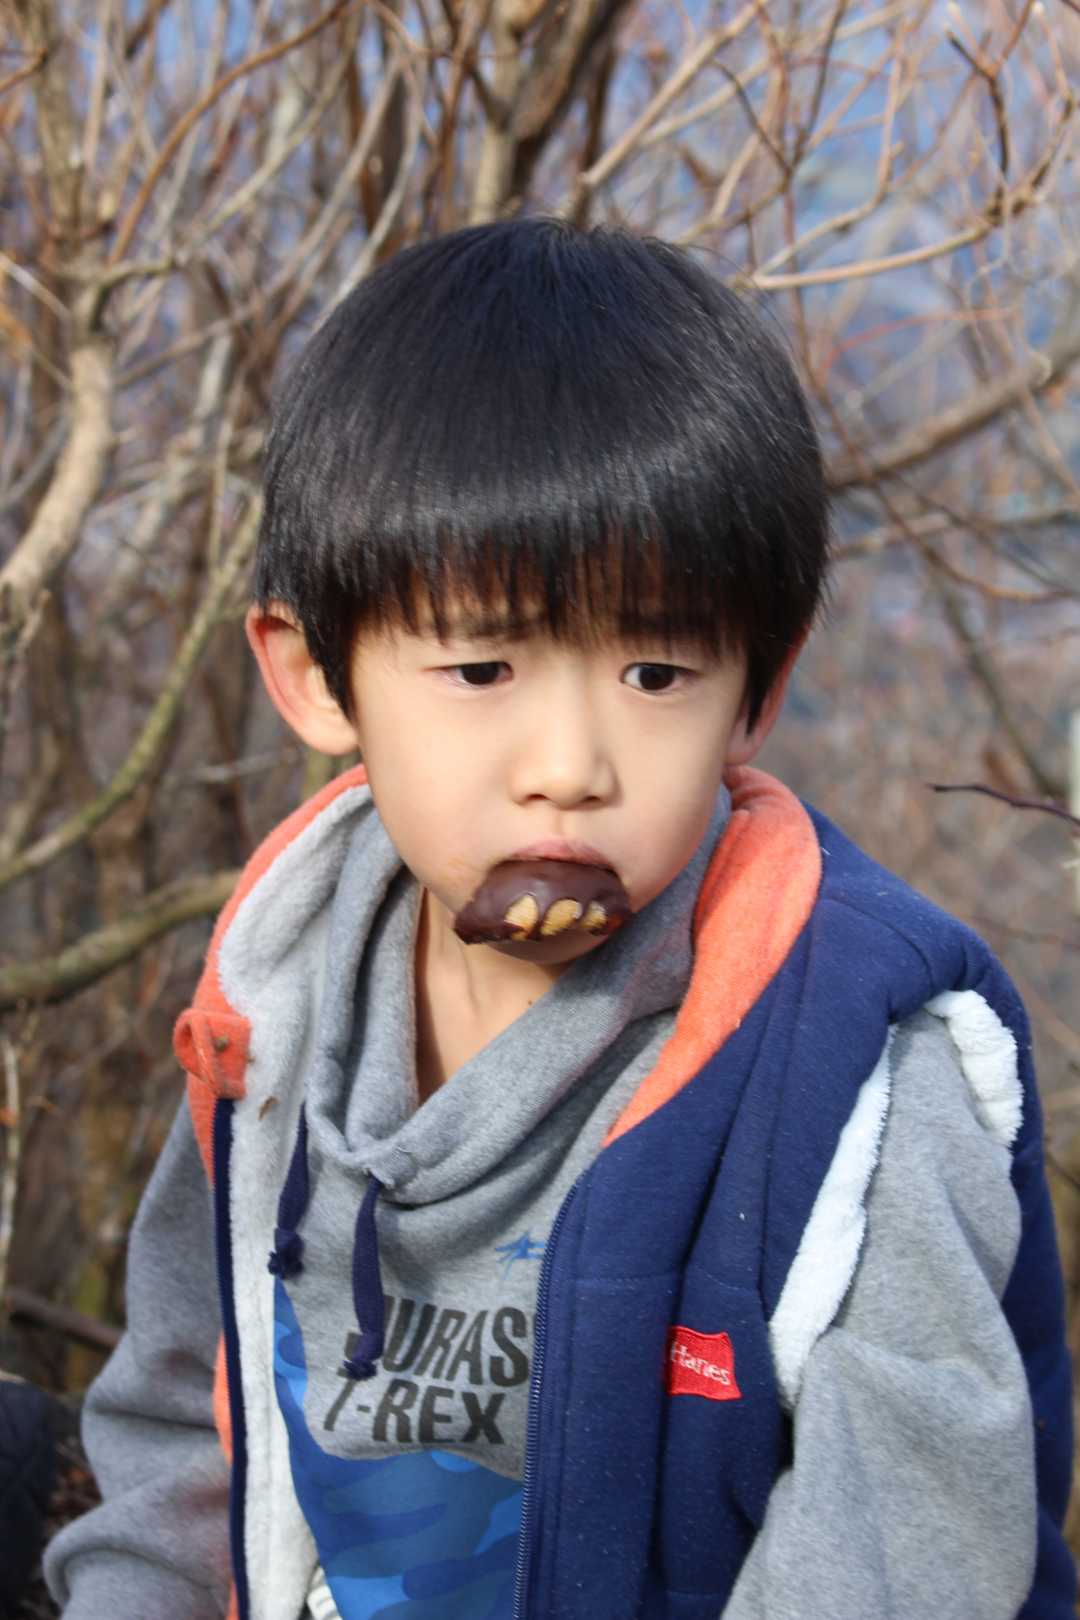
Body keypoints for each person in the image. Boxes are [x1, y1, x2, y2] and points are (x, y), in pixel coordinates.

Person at [45, 218, 1074, 1620]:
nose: (572, 766)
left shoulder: (859, 1072)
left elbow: (907, 1556)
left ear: (756, 693)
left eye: (657, 673)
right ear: (315, 676)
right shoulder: (273, 1005)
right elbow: (187, 1413)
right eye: (482, 668)